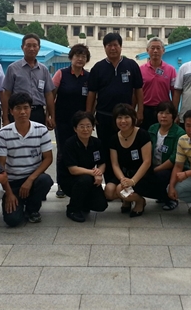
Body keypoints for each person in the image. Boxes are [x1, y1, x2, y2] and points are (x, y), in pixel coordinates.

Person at [86, 33, 143, 180]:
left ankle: (126, 181)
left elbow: (138, 90)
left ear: (121, 47)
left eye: (115, 45)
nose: (112, 48)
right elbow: (92, 93)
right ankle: (110, 182)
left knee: (127, 149)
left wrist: (139, 112)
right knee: (106, 150)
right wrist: (89, 115)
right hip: (104, 116)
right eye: (109, 45)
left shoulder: (131, 65)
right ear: (105, 47)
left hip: (126, 118)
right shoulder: (98, 68)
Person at [0, 92, 54, 227]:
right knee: (13, 221)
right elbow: (1, 166)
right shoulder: (3, 133)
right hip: (13, 182)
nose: (22, 112)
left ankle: (32, 209)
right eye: (18, 108)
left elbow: (48, 158)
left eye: (26, 108)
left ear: (30, 109)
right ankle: (19, 202)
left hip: (33, 179)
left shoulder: (41, 129)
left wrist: (30, 180)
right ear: (11, 111)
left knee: (45, 180)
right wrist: (9, 193)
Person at [105, 104, 164, 217]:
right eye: (119, 118)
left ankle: (139, 201)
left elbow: (147, 162)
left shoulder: (142, 135)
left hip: (141, 174)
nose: (123, 121)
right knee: (109, 191)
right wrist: (122, 179)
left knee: (120, 189)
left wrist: (132, 181)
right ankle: (127, 199)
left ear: (133, 118)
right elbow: (115, 164)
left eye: (126, 117)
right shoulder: (113, 139)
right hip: (124, 173)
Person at [52, 44, 91, 198]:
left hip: (81, 123)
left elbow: (92, 99)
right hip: (62, 120)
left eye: (83, 56)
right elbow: (51, 96)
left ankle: (78, 182)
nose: (80, 59)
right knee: (63, 152)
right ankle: (62, 184)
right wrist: (50, 115)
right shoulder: (61, 74)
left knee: (80, 151)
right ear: (71, 57)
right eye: (77, 56)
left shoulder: (88, 77)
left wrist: (90, 118)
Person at [59, 111, 108, 222]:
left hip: (89, 177)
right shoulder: (69, 144)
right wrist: (93, 173)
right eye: (81, 126)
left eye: (88, 126)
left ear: (93, 128)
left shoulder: (96, 143)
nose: (85, 129)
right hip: (70, 180)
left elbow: (102, 163)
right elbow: (73, 170)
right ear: (75, 129)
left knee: (101, 205)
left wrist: (99, 173)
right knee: (85, 179)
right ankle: (72, 209)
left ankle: (81, 203)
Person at [1, 33, 55, 128]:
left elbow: (49, 95)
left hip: (38, 112)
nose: (31, 49)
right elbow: (6, 94)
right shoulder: (13, 68)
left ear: (39, 48)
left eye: (34, 46)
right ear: (22, 47)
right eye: (28, 46)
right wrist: (5, 118)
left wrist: (51, 117)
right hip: (19, 112)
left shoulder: (43, 70)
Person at [147, 101, 185, 211]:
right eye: (161, 113)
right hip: (152, 165)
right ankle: (160, 195)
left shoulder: (179, 133)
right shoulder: (152, 129)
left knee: (161, 175)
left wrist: (156, 169)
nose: (163, 116)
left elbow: (174, 158)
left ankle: (170, 199)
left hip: (171, 168)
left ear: (173, 116)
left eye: (168, 113)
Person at [140, 37, 176, 130]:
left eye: (158, 48)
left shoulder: (171, 70)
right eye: (152, 48)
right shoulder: (140, 70)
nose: (155, 51)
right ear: (147, 50)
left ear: (163, 50)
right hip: (146, 109)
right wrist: (138, 111)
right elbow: (136, 92)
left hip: (164, 110)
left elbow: (174, 92)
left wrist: (174, 112)